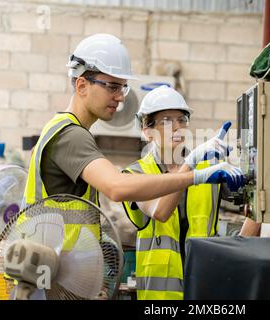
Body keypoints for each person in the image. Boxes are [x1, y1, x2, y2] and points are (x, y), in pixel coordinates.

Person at [21, 33, 244, 248]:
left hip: (55, 270)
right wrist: (196, 174)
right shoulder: (71, 136)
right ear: (81, 86)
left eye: (123, 87)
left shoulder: (67, 130)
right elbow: (117, 187)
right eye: (112, 86)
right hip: (50, 272)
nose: (120, 97)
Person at [122, 85, 239, 300]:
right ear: (147, 131)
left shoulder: (208, 167)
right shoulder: (135, 174)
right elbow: (160, 212)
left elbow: (255, 207)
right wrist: (191, 163)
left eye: (182, 120)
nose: (177, 127)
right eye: (166, 121)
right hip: (160, 299)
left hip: (205, 291)